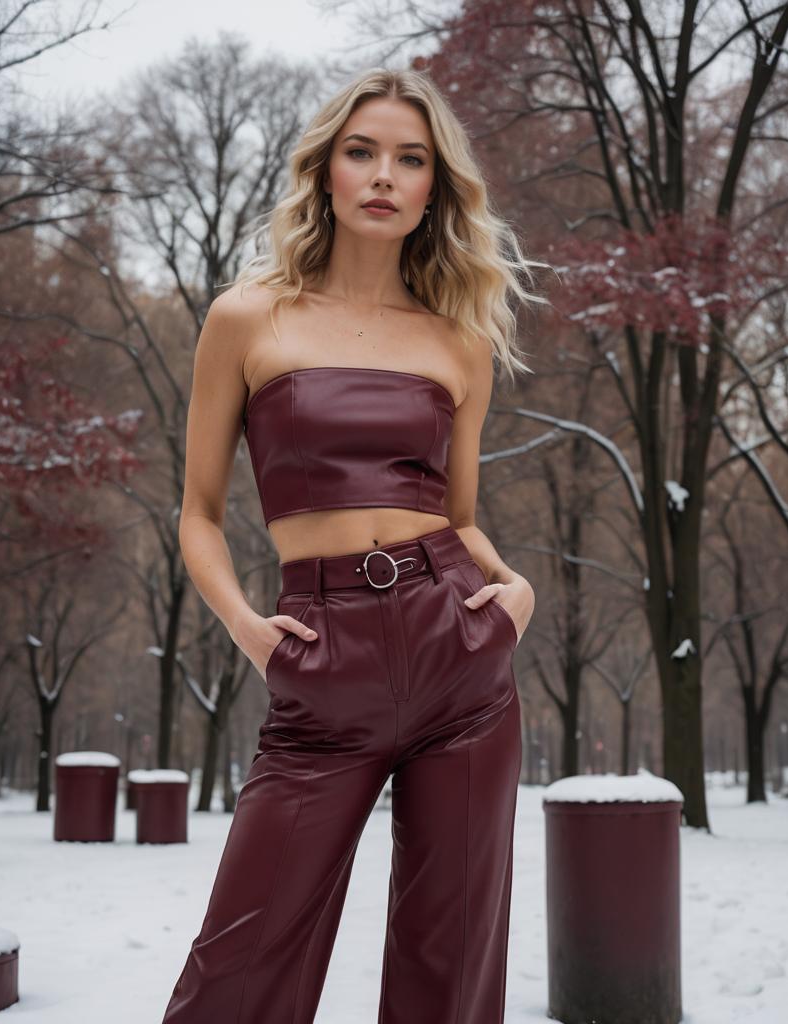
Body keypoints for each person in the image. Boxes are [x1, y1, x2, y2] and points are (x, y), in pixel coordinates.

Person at [161, 65, 548, 1024]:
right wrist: (251, 630)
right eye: (362, 152)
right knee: (239, 966)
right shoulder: (248, 317)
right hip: (321, 654)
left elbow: (458, 516)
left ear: (433, 190)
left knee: (448, 968)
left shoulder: (457, 341)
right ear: (326, 172)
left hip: (458, 656)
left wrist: (515, 591)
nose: (384, 175)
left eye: (410, 160)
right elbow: (198, 513)